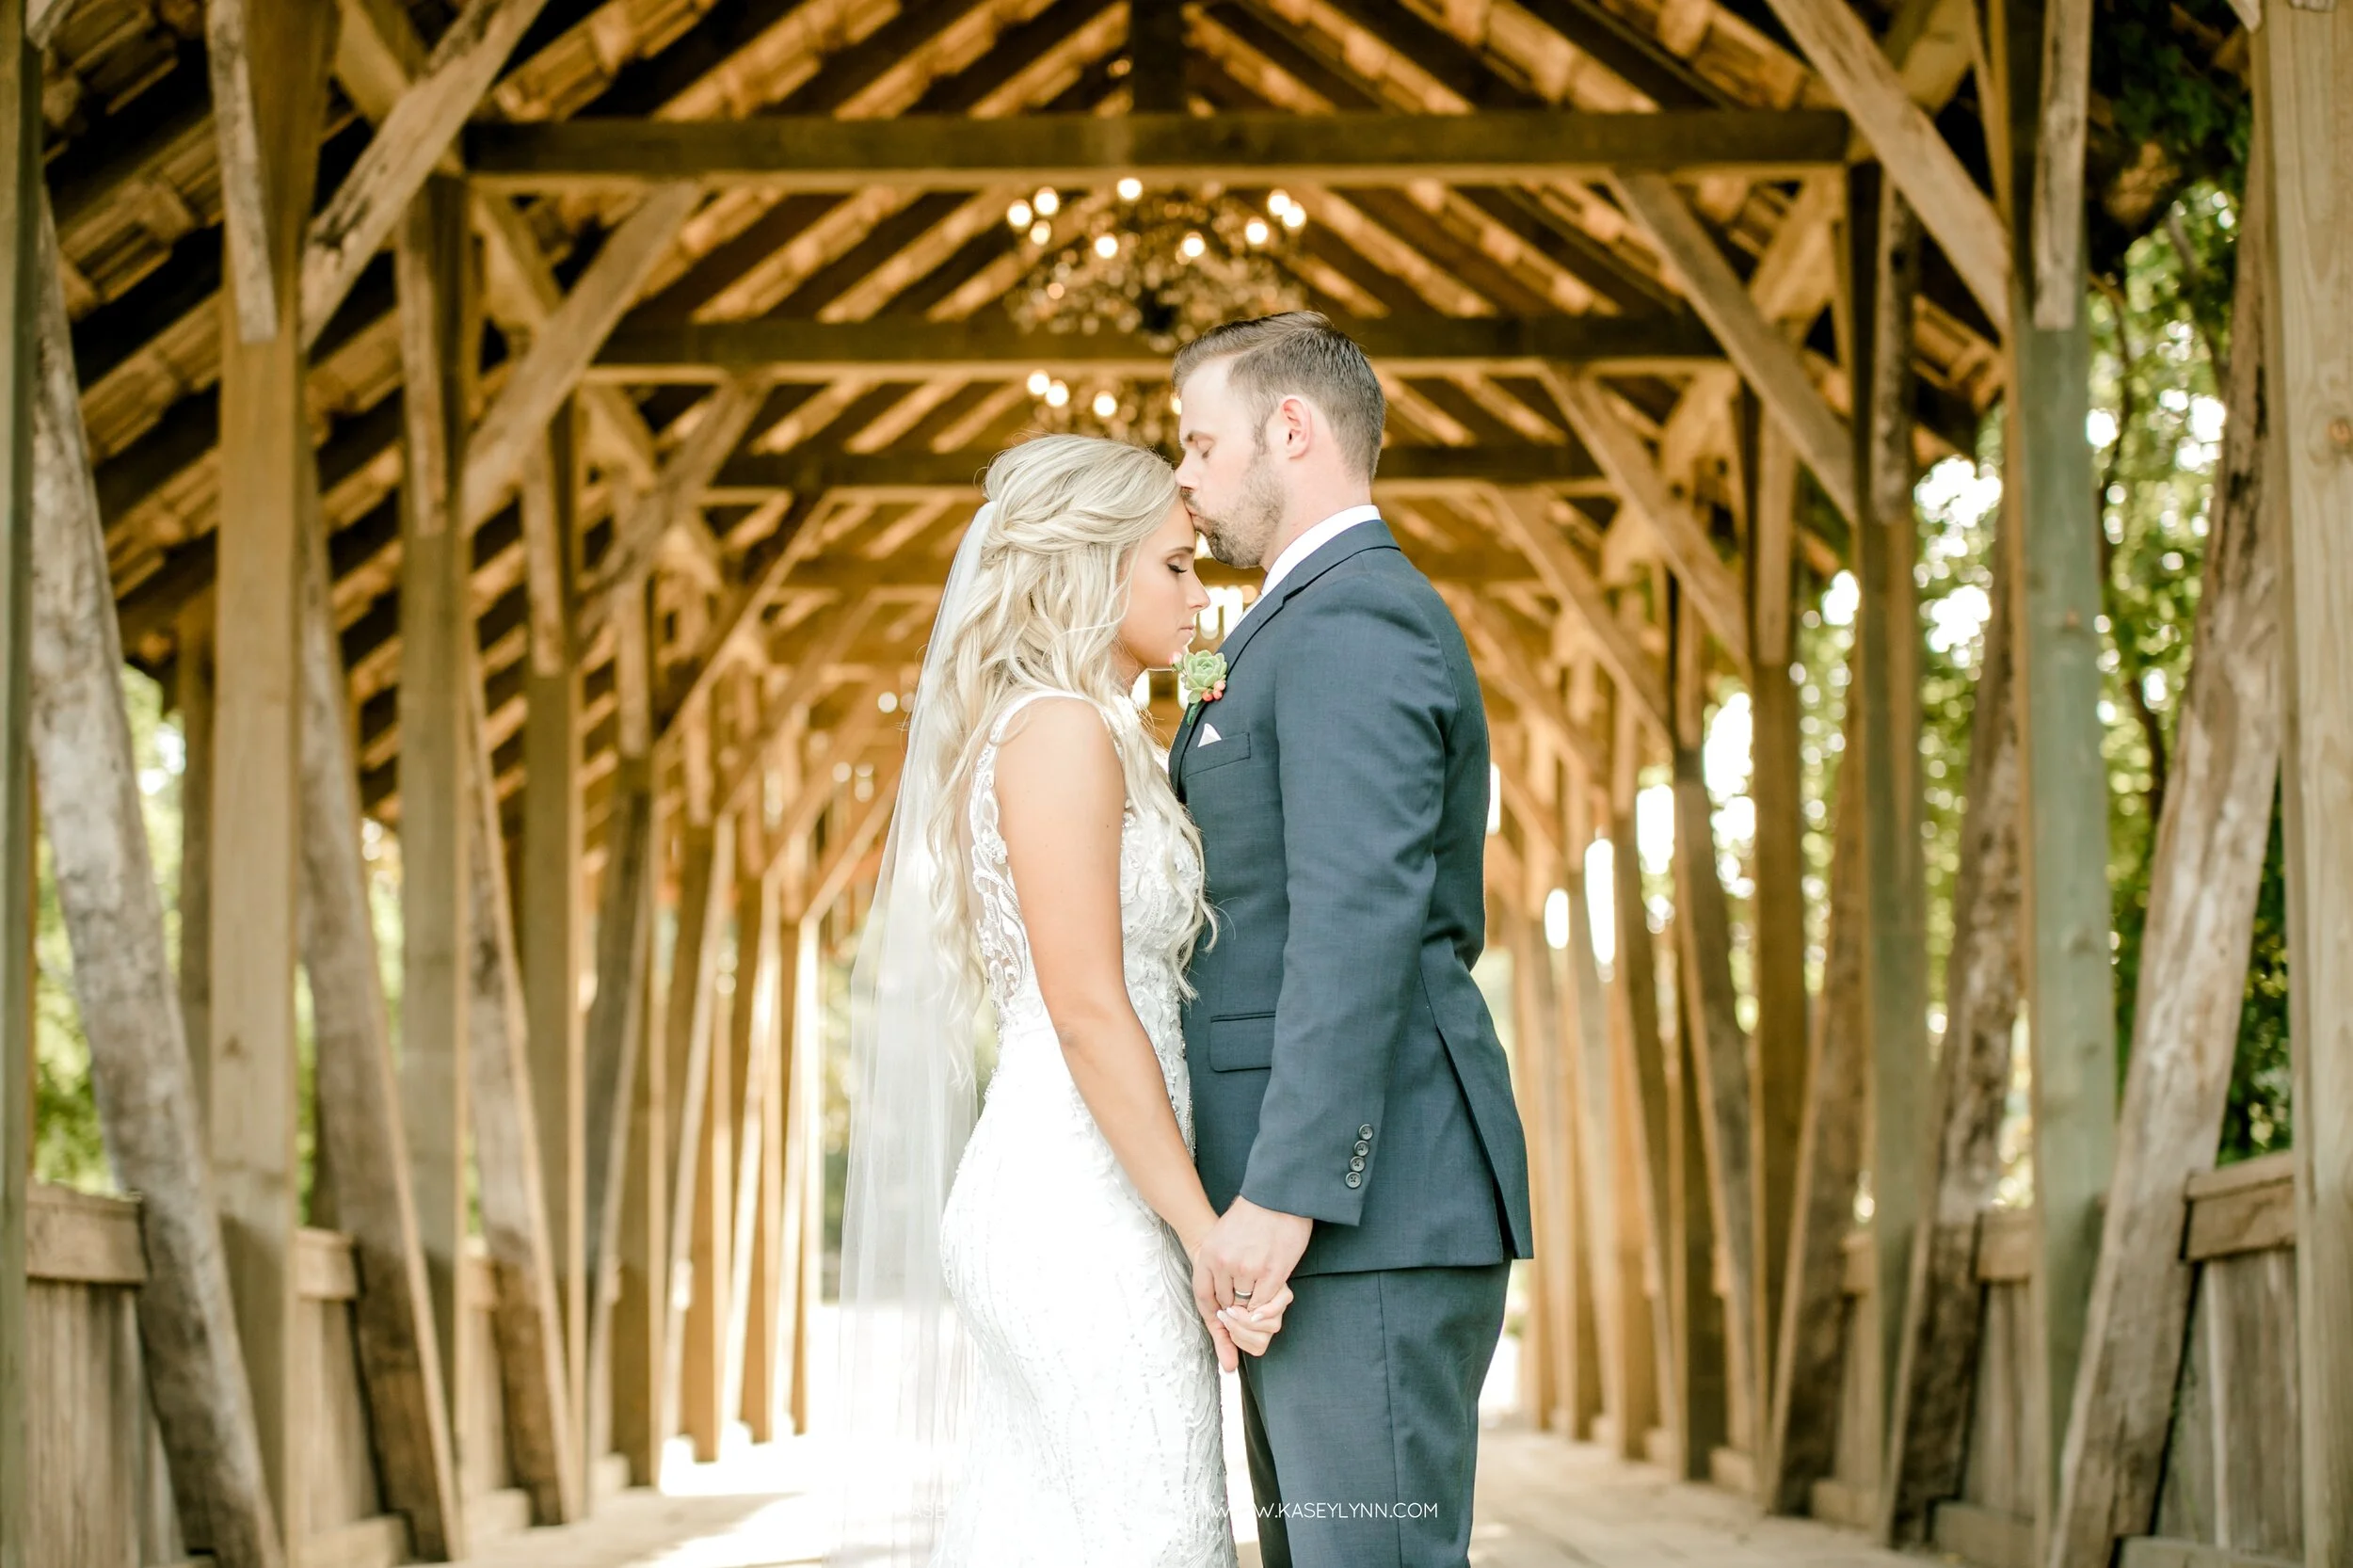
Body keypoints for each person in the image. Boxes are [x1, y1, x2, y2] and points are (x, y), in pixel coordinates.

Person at [830, 433, 1287, 1568]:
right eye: (1174, 566)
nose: (1200, 593)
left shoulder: (1088, 731)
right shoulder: (1062, 732)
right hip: (1082, 1207)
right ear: (1087, 567)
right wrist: (1205, 1237)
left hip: (1095, 1188)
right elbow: (1086, 1005)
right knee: (1157, 1533)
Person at [1170, 312, 1535, 1568]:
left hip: (1360, 1213)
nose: (1186, 479)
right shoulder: (1304, 618)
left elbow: (1356, 915)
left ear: (1293, 429)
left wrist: (1283, 1188)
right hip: (1332, 1218)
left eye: (1200, 444)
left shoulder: (1352, 619)